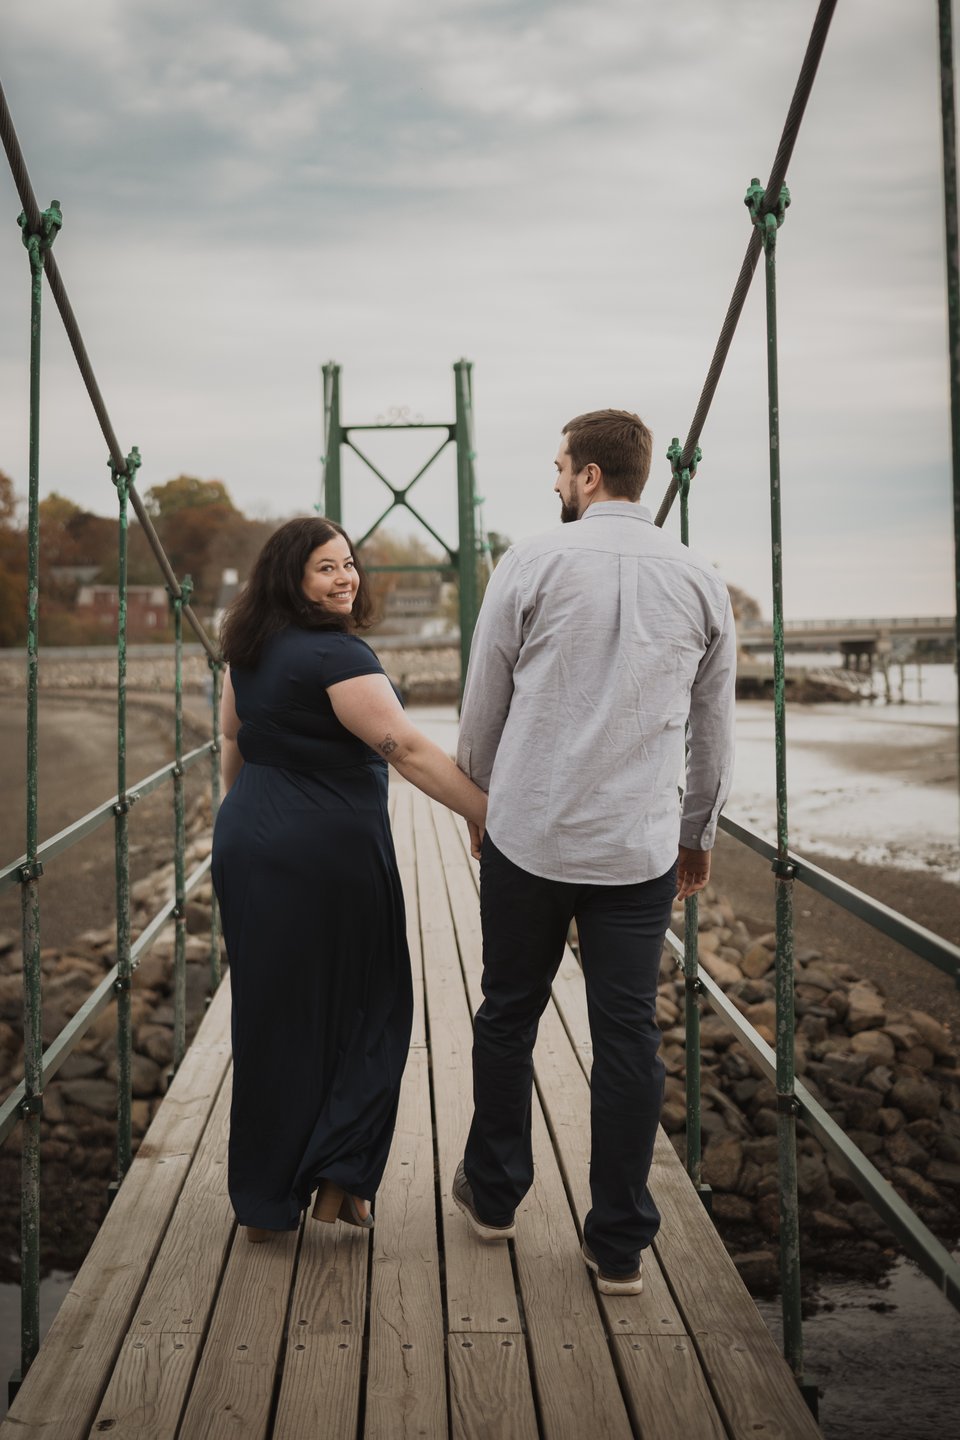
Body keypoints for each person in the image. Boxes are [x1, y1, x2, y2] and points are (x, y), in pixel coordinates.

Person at [452, 409, 736, 1295]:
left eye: (559, 467)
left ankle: (494, 1199)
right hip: (636, 850)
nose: (555, 481)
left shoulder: (530, 562)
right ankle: (618, 1243)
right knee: (627, 1039)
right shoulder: (701, 578)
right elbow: (713, 729)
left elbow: (483, 700)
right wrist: (698, 834)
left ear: (585, 476)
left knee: (508, 1012)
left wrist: (477, 804)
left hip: (529, 836)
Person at [212, 515, 487, 1242]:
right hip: (326, 854)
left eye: (349, 564)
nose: (346, 578)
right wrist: (488, 813)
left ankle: (266, 1198)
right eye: (326, 568)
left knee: (272, 1017)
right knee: (374, 1005)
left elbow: (234, 742)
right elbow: (402, 744)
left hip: (248, 843)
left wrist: (238, 822)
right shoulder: (339, 655)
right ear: (291, 579)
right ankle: (339, 1170)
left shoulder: (247, 649)